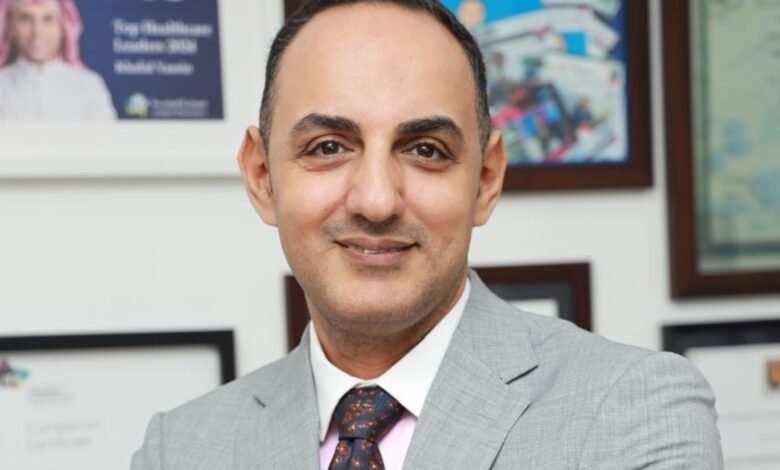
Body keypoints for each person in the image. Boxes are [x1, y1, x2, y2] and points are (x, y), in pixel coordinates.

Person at [132, 1, 722, 468]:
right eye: (329, 147)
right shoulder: (178, 450)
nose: (377, 201)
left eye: (425, 150)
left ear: (486, 180)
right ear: (262, 176)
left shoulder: (636, 410)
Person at [0, 0, 116, 120]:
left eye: (48, 19)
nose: (37, 31)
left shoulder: (89, 86)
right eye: (26, 19)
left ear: (63, 27)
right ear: (10, 27)